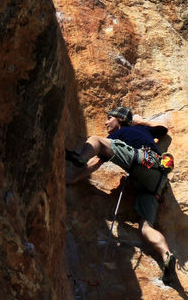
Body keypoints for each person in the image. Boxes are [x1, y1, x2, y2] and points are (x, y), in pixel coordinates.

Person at [66, 105, 176, 283]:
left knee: (96, 140)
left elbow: (97, 160)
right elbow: (162, 130)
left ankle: (79, 156)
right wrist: (142, 122)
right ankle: (166, 255)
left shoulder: (119, 134)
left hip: (142, 160)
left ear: (120, 120)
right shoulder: (144, 130)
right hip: (158, 179)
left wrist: (74, 177)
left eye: (110, 118)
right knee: (146, 227)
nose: (106, 122)